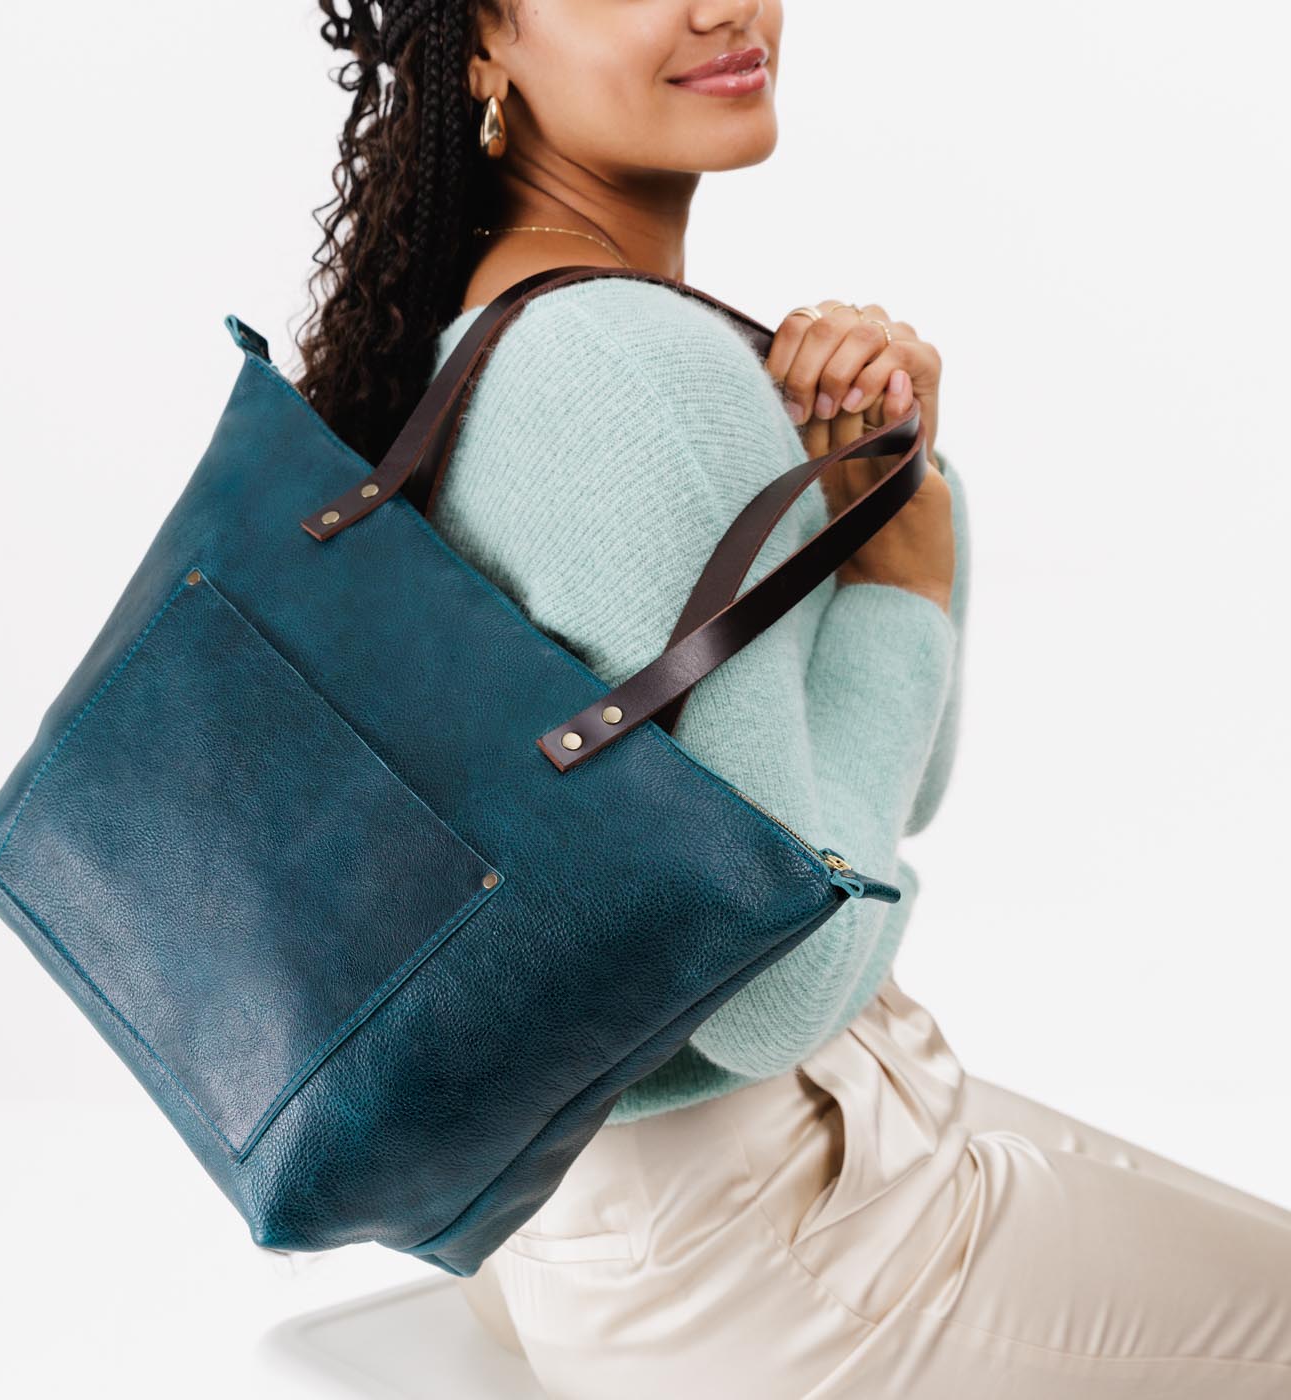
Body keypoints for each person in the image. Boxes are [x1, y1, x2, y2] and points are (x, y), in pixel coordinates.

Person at [291, 2, 1291, 1395]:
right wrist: (905, 572)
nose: (724, 6)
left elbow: (887, 783)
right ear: (484, 41)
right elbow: (775, 991)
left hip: (572, 1210)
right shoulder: (646, 374)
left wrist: (888, 497)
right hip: (768, 1242)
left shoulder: (481, 327)